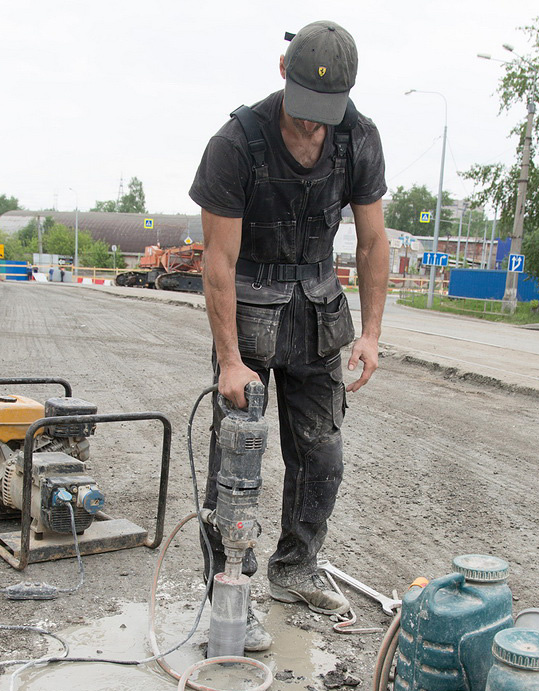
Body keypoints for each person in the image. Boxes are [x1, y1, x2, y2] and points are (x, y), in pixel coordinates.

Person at [189, 20, 389, 651]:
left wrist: (373, 333)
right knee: (237, 463)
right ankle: (229, 587)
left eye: (324, 114)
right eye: (304, 110)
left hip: (319, 313)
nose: (312, 126)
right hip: (247, 312)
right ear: (282, 71)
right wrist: (227, 361)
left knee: (322, 457)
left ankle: (295, 567)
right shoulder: (236, 143)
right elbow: (218, 261)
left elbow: (374, 239)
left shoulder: (357, 137)